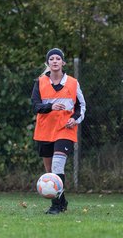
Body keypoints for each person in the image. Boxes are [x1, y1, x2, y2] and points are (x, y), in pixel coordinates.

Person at [31, 48, 86, 214]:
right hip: (45, 132)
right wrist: (50, 106)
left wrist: (74, 119)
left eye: (58, 58)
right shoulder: (39, 82)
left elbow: (81, 106)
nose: (55, 61)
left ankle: (55, 207)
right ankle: (62, 202)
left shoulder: (73, 83)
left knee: (57, 166)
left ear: (63, 62)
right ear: (48, 63)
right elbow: (35, 106)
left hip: (65, 130)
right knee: (50, 172)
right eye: (52, 59)